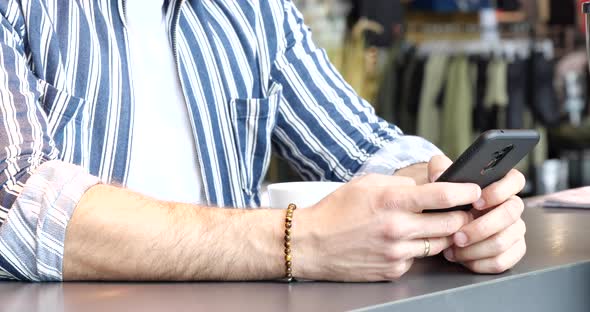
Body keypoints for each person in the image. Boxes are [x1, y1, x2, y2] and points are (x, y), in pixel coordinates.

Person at [0, 0, 526, 282]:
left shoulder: (256, 10)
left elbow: (362, 146)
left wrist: (445, 198)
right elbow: (18, 204)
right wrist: (300, 240)